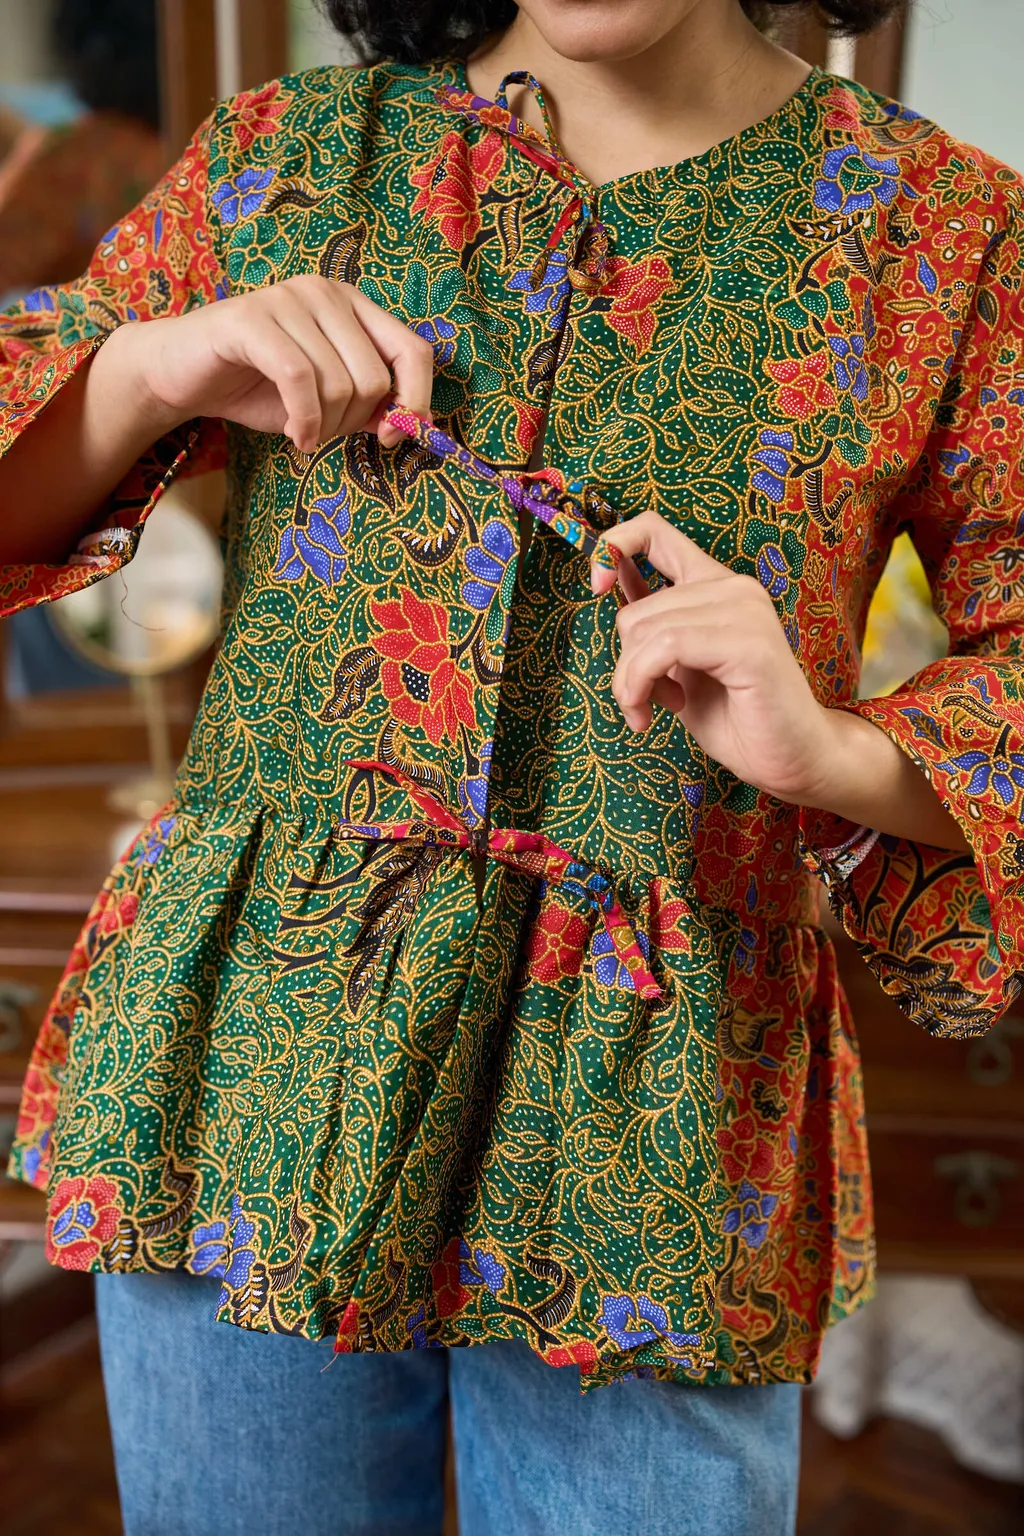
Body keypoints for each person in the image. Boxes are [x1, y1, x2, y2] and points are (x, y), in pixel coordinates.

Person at [1, 0, 1021, 1530]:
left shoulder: (948, 232)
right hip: (257, 1070)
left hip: (649, 1136)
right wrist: (150, 367)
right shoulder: (289, 158)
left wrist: (834, 752)